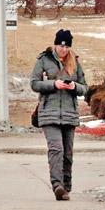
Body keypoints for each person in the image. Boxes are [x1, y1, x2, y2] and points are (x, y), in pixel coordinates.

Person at [31, 29, 87, 200]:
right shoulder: (43, 60)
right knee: (57, 149)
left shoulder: (74, 62)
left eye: (66, 46)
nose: (63, 49)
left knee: (67, 153)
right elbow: (34, 83)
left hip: (69, 113)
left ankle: (66, 186)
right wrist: (54, 84)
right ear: (55, 44)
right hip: (49, 112)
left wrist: (74, 87)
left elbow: (85, 87)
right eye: (61, 45)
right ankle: (57, 186)